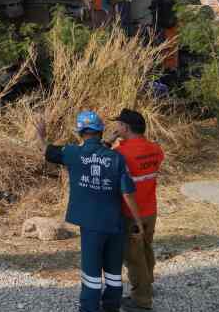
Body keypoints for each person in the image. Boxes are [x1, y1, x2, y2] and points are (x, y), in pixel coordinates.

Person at [37, 111, 144, 312]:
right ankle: (111, 306)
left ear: (79, 132)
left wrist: (41, 136)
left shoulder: (72, 153)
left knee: (91, 273)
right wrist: (137, 220)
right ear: (101, 131)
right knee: (113, 271)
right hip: (115, 222)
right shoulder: (116, 158)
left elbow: (46, 150)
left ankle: (89, 307)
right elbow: (128, 193)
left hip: (91, 225)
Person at [112, 109, 165, 311]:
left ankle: (141, 301)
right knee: (146, 249)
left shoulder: (120, 154)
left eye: (118, 125)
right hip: (150, 210)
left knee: (134, 258)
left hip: (130, 213)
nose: (115, 128)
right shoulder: (155, 149)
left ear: (125, 127)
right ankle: (147, 287)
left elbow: (97, 155)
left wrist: (111, 140)